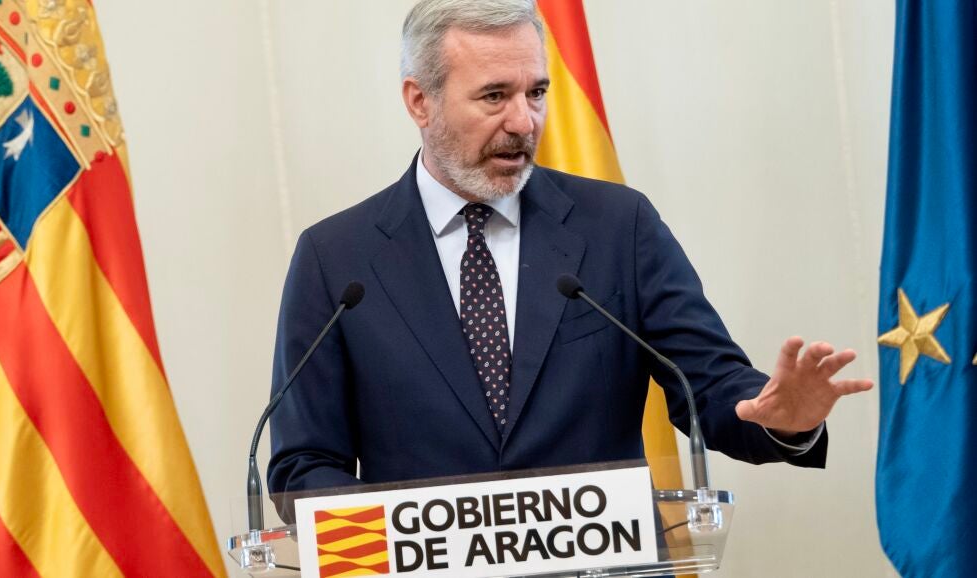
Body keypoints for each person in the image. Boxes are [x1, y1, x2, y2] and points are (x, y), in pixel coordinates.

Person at [266, 0, 872, 513]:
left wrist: (782, 418)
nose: (523, 122)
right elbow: (303, 465)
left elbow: (709, 386)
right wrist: (411, 540)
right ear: (419, 101)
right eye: (494, 96)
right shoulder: (334, 258)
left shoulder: (618, 226)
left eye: (536, 93)